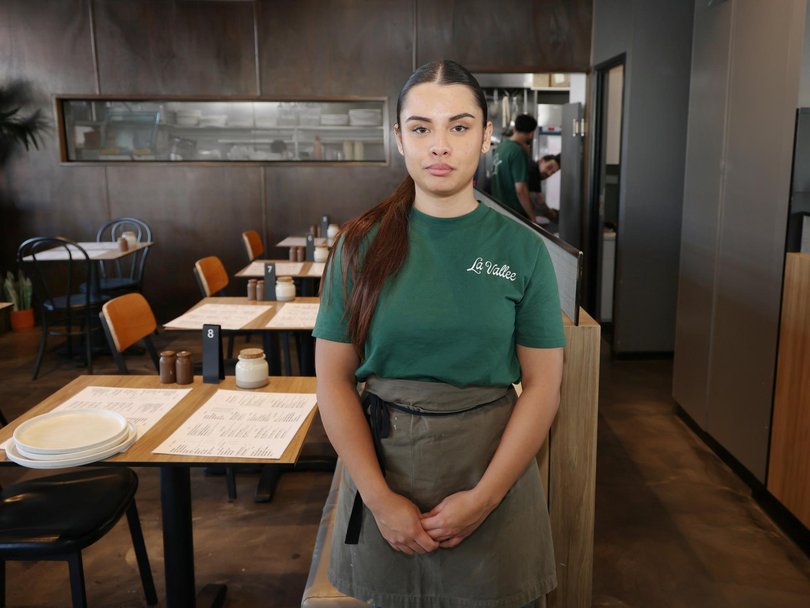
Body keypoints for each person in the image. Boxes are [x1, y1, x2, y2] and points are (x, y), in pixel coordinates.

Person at [313, 59, 565, 608]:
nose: (440, 145)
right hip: (382, 465)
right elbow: (332, 383)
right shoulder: (359, 244)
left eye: (459, 126)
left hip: (491, 466)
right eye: (421, 128)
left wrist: (484, 498)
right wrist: (379, 501)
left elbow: (544, 386)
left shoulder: (521, 249)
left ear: (486, 135)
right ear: (399, 138)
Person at [490, 113, 537, 219]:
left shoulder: (501, 147)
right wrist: (532, 217)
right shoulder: (518, 151)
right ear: (531, 134)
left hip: (498, 211)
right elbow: (521, 190)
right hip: (515, 214)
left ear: (515, 128)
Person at [528, 154, 562, 224]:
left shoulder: (534, 172)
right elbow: (539, 200)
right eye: (549, 167)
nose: (549, 173)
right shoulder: (533, 170)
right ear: (541, 161)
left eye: (553, 172)